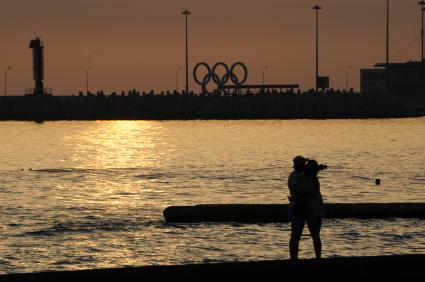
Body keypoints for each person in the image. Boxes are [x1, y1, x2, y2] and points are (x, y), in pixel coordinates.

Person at [288, 158, 325, 260]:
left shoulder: (303, 177)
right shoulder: (306, 177)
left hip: (306, 209)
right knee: (312, 235)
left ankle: (294, 258)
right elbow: (303, 190)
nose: (305, 166)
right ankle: (317, 258)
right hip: (307, 209)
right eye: (304, 164)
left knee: (297, 236)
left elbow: (302, 190)